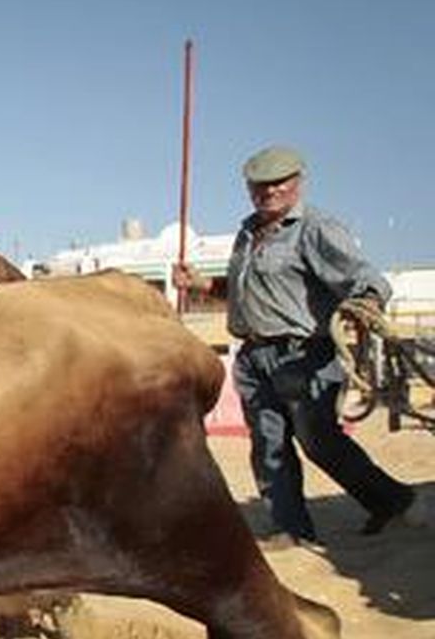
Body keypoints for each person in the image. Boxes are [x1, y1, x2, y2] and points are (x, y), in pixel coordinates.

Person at [175, 146, 422, 545]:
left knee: (318, 440)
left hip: (304, 353)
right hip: (254, 355)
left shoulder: (315, 229)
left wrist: (366, 306)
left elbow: (367, 281)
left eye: (277, 183)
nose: (268, 191)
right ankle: (290, 528)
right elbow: (250, 290)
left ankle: (391, 500)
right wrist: (203, 284)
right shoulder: (248, 233)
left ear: (297, 183)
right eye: (259, 185)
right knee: (268, 444)